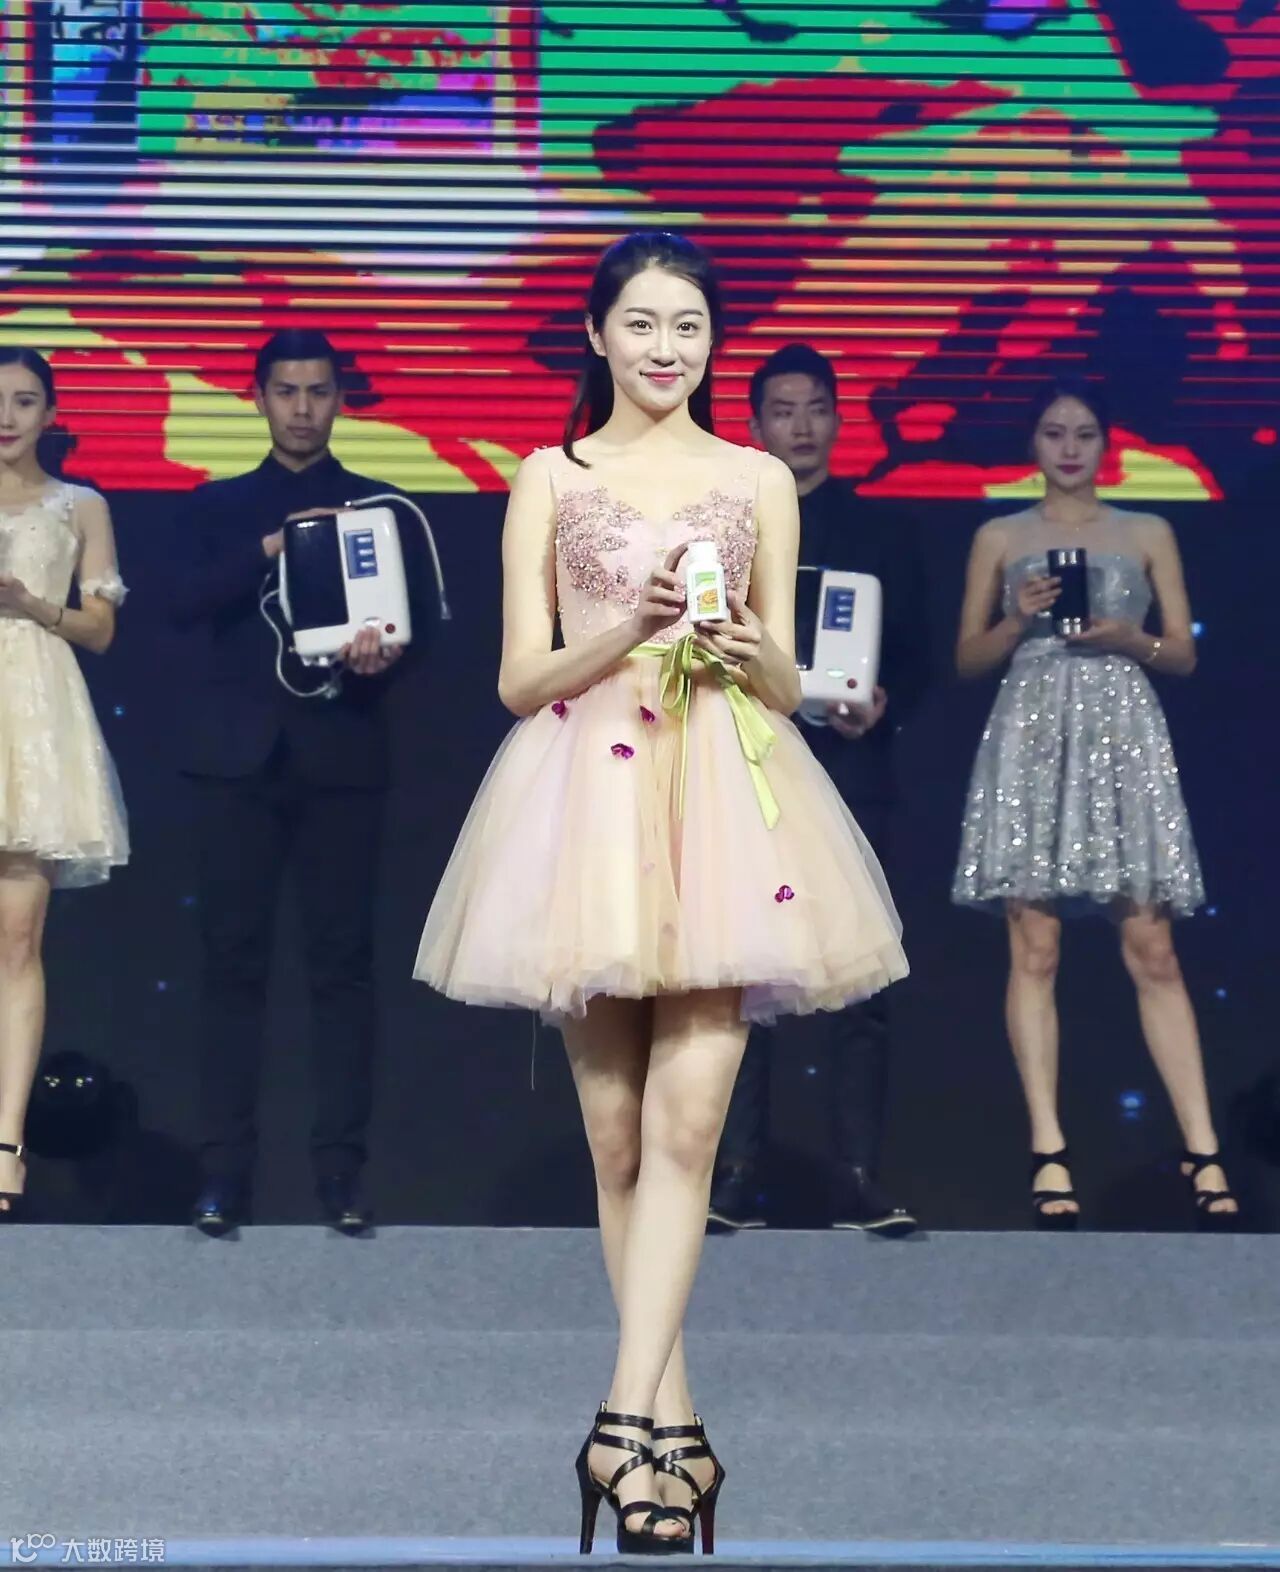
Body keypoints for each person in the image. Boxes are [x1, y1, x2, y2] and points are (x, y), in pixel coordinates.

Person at [414, 232, 907, 1553]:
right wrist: (625, 627)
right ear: (597, 334)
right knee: (619, 1142)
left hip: (720, 802)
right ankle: (674, 1438)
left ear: (711, 343)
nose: (664, 348)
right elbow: (517, 681)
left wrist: (746, 649)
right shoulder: (550, 475)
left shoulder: (756, 477)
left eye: (687, 326)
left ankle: (620, 1424)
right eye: (640, 323)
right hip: (584, 799)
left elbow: (793, 683)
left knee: (690, 1130)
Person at [953, 376, 1237, 1230]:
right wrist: (1019, 620)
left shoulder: (1147, 530)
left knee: (1153, 946)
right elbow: (967, 659)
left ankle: (1203, 1149)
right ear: (1032, 444)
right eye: (1054, 432)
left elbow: (1182, 653)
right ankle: (1048, 1149)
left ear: (1106, 444)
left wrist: (1129, 638)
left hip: (1122, 726)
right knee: (1034, 946)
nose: (1069, 448)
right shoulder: (1000, 534)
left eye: (1083, 433)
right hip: (1032, 726)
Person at [173, 327, 430, 1237]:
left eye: (319, 391)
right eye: (286, 391)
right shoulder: (218, 506)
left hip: (342, 757)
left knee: (342, 971)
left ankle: (341, 1174)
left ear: (339, 400)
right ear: (258, 398)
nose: (303, 408)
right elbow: (180, 601)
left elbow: (423, 631)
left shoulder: (380, 509)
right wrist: (269, 548)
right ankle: (222, 1174)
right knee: (230, 968)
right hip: (235, 762)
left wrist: (382, 656)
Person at [708, 342, 930, 1236]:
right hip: (748, 765)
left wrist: (883, 700)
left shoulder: (882, 531)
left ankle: (858, 1175)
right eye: (783, 410)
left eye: (817, 409)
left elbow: (915, 653)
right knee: (743, 972)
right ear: (754, 425)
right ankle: (736, 1170)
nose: (801, 427)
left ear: (838, 420)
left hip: (851, 768)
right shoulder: (725, 530)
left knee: (860, 975)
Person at [0, 347, 129, 1218]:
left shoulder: (80, 504)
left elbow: (101, 628)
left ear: (50, 414)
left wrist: (30, 604)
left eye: (23, 400)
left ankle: (5, 1143)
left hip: (35, 720)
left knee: (17, 941)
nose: (6, 416)